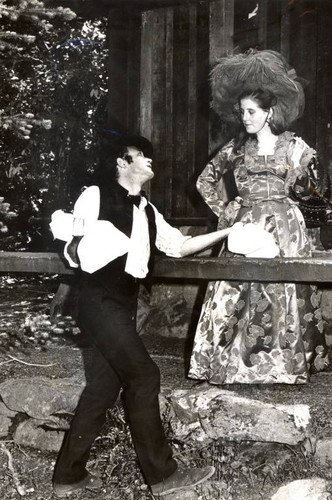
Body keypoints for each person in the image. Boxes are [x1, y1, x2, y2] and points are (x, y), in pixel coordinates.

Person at [50, 133, 235, 497]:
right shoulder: (95, 195)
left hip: (122, 304)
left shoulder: (147, 210)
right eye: (142, 155)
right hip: (98, 300)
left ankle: (67, 477)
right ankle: (163, 476)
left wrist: (228, 231)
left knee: (103, 387)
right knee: (145, 376)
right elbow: (77, 246)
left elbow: (180, 246)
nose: (150, 161)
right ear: (122, 162)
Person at [188, 49, 331, 386]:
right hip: (246, 226)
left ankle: (283, 364)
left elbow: (318, 188)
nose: (245, 118)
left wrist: (301, 198)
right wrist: (226, 210)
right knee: (237, 289)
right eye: (242, 112)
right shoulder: (236, 148)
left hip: (285, 229)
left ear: (269, 113)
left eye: (251, 112)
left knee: (282, 291)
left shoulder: (295, 146)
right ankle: (232, 362)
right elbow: (204, 180)